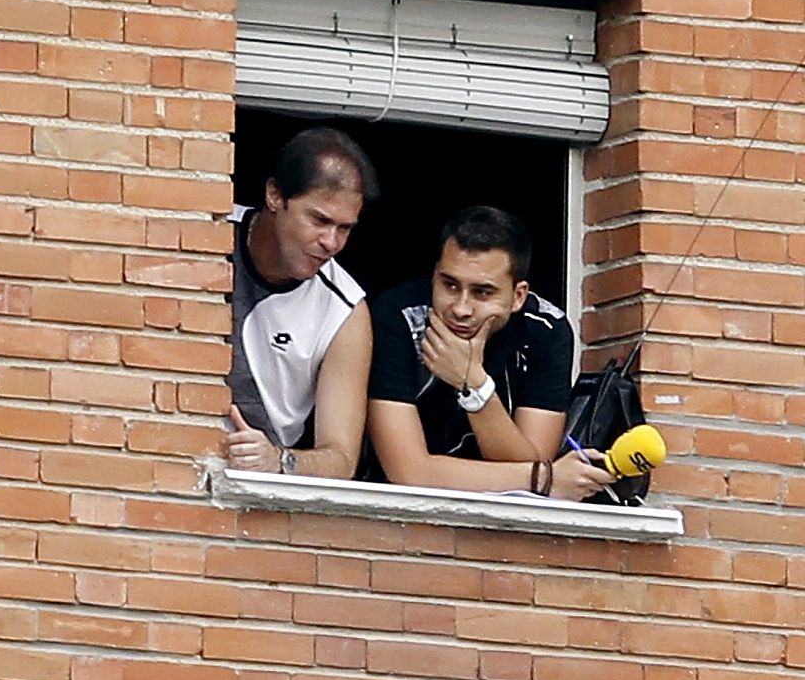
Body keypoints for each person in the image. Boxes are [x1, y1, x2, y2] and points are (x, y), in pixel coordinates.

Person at [366, 206, 611, 502]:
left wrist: (474, 385)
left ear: (518, 296)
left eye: (482, 292)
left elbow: (530, 462)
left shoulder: (546, 330)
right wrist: (544, 478)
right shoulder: (397, 317)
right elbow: (409, 472)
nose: (461, 308)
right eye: (450, 285)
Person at [222, 127, 378, 479]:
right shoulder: (203, 233)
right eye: (320, 220)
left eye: (345, 228)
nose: (331, 242)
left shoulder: (345, 311)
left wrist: (279, 461)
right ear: (275, 195)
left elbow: (340, 460)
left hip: (253, 490)